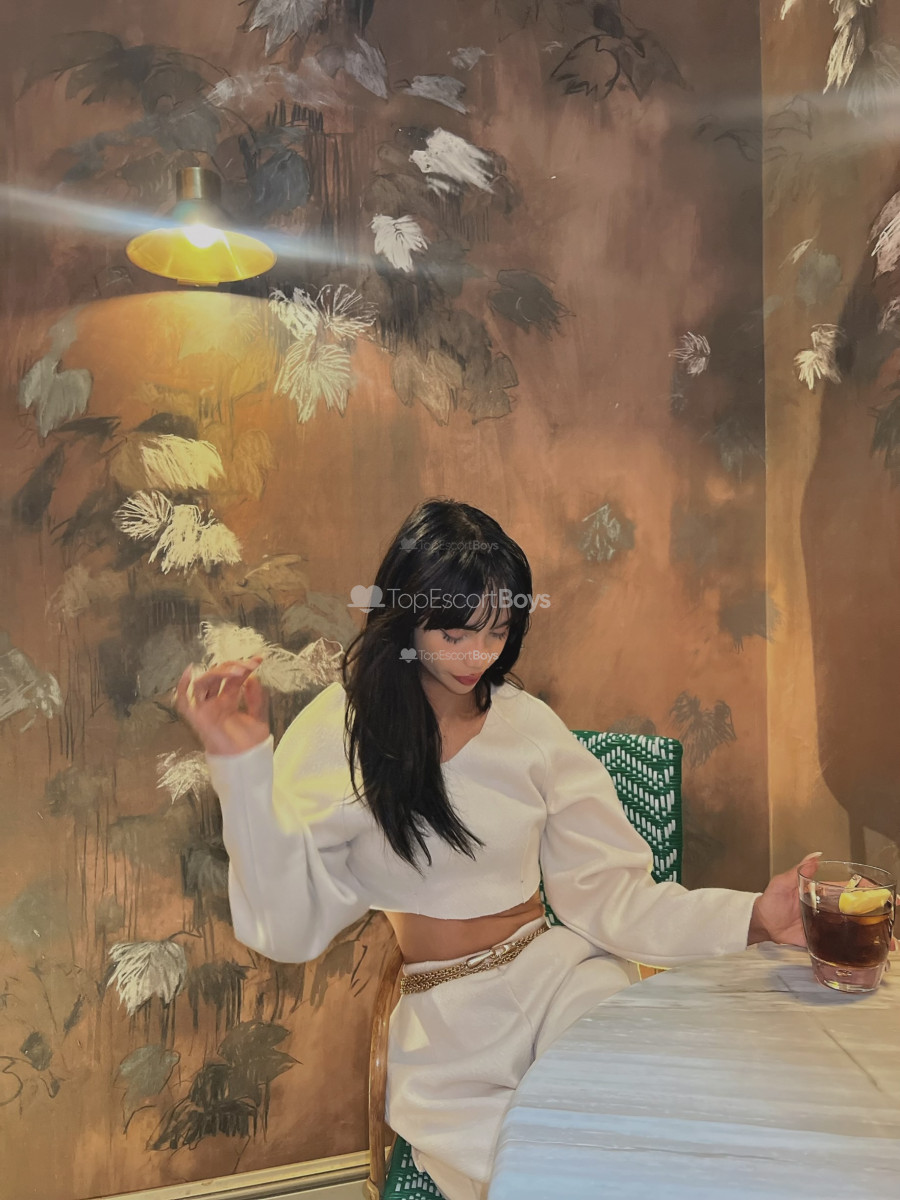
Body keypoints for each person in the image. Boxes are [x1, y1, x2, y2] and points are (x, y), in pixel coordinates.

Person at [175, 498, 816, 1200]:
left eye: (498, 631)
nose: (476, 656)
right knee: (529, 1178)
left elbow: (612, 895)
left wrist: (756, 917)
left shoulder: (530, 728)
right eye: (454, 632)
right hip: (445, 1029)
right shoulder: (344, 733)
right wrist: (242, 767)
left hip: (561, 981)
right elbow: (286, 927)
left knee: (636, 1145)